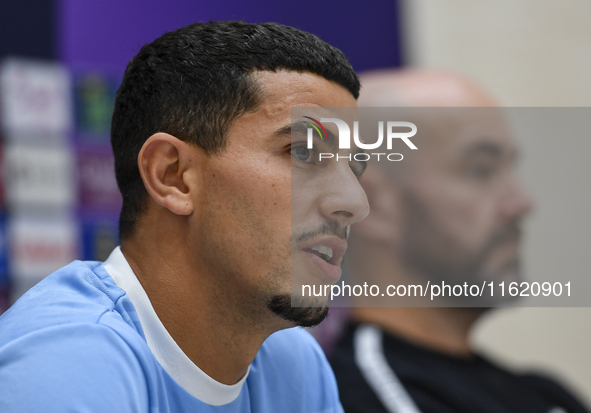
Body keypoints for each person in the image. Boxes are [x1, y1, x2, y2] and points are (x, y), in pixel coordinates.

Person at [0, 21, 369, 411]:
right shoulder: (67, 365)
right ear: (172, 176)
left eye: (354, 167)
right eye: (303, 153)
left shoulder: (292, 363)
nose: (354, 201)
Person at [329, 69, 590, 413]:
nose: (521, 203)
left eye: (510, 167)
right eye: (480, 169)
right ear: (372, 204)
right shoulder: (364, 396)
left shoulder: (545, 395)